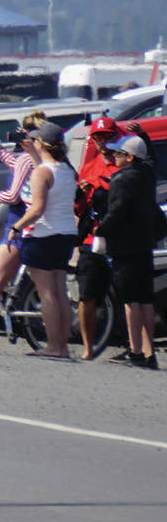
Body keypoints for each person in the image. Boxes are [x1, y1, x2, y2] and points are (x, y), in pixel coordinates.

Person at [0, 122, 78, 359]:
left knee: (47, 294)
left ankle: (54, 346)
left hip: (43, 235)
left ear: (41, 144)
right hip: (66, 234)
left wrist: (17, 226)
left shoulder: (42, 172)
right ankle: (62, 345)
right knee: (59, 292)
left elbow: (37, 209)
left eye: (35, 140)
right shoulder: (67, 169)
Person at [92, 134, 160, 369]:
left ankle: (135, 350)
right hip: (144, 243)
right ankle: (150, 352)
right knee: (146, 299)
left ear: (130, 157)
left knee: (130, 301)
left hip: (125, 246)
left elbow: (117, 212)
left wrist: (101, 230)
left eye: (119, 153)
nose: (114, 156)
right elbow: (151, 160)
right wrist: (143, 136)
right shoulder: (147, 175)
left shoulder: (121, 180)